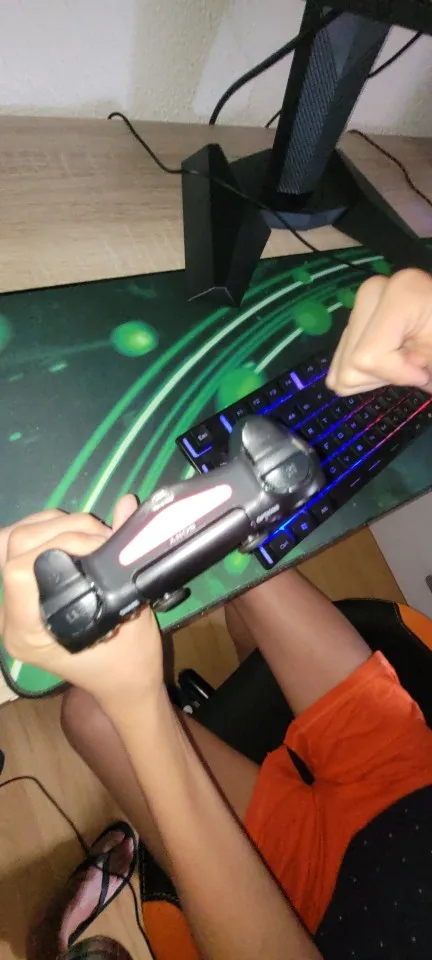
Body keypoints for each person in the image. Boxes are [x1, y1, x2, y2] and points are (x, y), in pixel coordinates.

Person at [1, 268, 432, 960]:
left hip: (308, 909)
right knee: (242, 571)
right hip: (408, 776)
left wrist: (140, 701)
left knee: (89, 712)